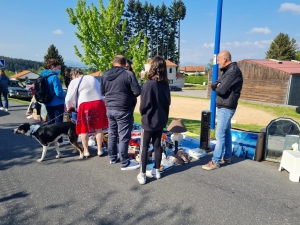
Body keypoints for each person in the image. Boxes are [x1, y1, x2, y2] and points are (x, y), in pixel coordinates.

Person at [202, 50, 243, 171]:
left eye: (219, 60)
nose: (218, 62)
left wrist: (218, 86)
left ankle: (216, 160)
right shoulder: (228, 70)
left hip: (226, 106)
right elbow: (215, 85)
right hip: (225, 105)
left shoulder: (232, 71)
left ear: (225, 59)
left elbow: (221, 90)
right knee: (226, 132)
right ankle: (228, 156)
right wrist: (218, 85)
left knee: (220, 133)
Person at [101, 55, 141, 170]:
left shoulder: (105, 74)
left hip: (109, 108)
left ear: (114, 63)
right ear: (125, 64)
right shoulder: (128, 74)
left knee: (112, 134)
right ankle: (124, 162)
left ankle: (112, 158)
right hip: (123, 109)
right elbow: (137, 91)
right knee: (124, 136)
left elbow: (102, 91)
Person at [137, 56, 171, 185]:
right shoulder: (165, 85)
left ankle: (142, 174)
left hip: (149, 119)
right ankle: (157, 170)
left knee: (144, 147)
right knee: (157, 146)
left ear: (153, 67)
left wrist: (143, 113)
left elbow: (143, 105)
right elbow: (168, 103)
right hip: (161, 118)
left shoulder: (148, 84)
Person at [65, 69, 108, 158]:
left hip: (85, 104)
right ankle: (100, 150)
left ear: (74, 75)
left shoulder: (74, 81)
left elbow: (69, 98)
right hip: (99, 103)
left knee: (84, 128)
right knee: (98, 127)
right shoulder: (92, 78)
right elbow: (101, 90)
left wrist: (68, 107)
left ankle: (86, 151)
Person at [40, 59, 68, 146]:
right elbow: (59, 92)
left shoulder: (43, 76)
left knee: (51, 122)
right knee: (58, 123)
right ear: (53, 67)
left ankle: (51, 139)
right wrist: (65, 96)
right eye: (58, 68)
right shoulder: (54, 77)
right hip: (57, 103)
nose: (59, 70)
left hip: (47, 102)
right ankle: (59, 141)